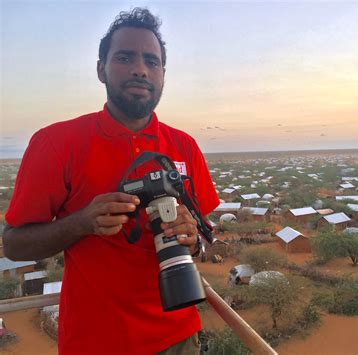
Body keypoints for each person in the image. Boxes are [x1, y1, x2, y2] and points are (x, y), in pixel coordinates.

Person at [3, 7, 219, 355]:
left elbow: (206, 239)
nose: (140, 69)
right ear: (101, 69)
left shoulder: (184, 146)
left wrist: (193, 239)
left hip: (179, 336)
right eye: (125, 57)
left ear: (163, 74)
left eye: (152, 61)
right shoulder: (57, 143)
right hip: (95, 342)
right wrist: (81, 223)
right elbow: (14, 245)